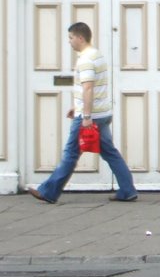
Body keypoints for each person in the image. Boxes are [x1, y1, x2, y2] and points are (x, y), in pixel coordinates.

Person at [28, 22, 138, 204]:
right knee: (110, 152)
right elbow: (91, 87)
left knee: (71, 153)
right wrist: (77, 106)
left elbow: (88, 87)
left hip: (90, 117)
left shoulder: (86, 59)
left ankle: (49, 191)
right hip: (102, 113)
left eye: (71, 38)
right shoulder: (97, 55)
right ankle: (127, 190)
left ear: (80, 37)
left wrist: (85, 115)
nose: (69, 42)